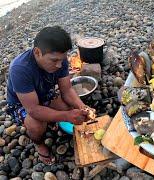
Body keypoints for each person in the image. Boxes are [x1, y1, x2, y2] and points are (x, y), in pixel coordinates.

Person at [6, 26, 92, 165]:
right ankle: (39, 144)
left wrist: (83, 107)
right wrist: (67, 116)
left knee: (66, 105)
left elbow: (67, 90)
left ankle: (53, 121)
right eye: (54, 60)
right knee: (37, 125)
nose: (59, 65)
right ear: (37, 52)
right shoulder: (20, 69)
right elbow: (33, 110)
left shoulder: (60, 59)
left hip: (45, 95)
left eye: (62, 60)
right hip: (21, 104)